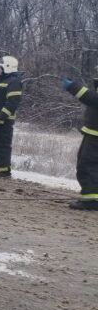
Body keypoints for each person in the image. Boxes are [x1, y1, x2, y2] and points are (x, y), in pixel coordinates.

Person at [62, 75, 98, 211]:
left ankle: (91, 201)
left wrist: (73, 86)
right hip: (93, 134)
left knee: (88, 166)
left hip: (96, 137)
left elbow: (93, 99)